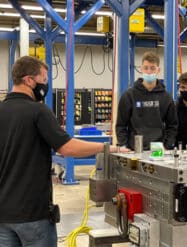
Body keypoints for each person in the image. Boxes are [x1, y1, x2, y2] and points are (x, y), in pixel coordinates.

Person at [0, 56, 128, 247]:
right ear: (28, 80)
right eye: (43, 80)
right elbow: (67, 147)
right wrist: (108, 147)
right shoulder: (38, 111)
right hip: (32, 214)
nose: (45, 85)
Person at [116, 51, 178, 150]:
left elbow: (172, 126)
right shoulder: (129, 96)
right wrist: (123, 145)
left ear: (158, 70)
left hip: (158, 149)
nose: (149, 72)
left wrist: (166, 146)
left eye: (152, 68)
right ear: (141, 69)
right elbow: (121, 125)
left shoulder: (166, 97)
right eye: (146, 68)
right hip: (134, 149)